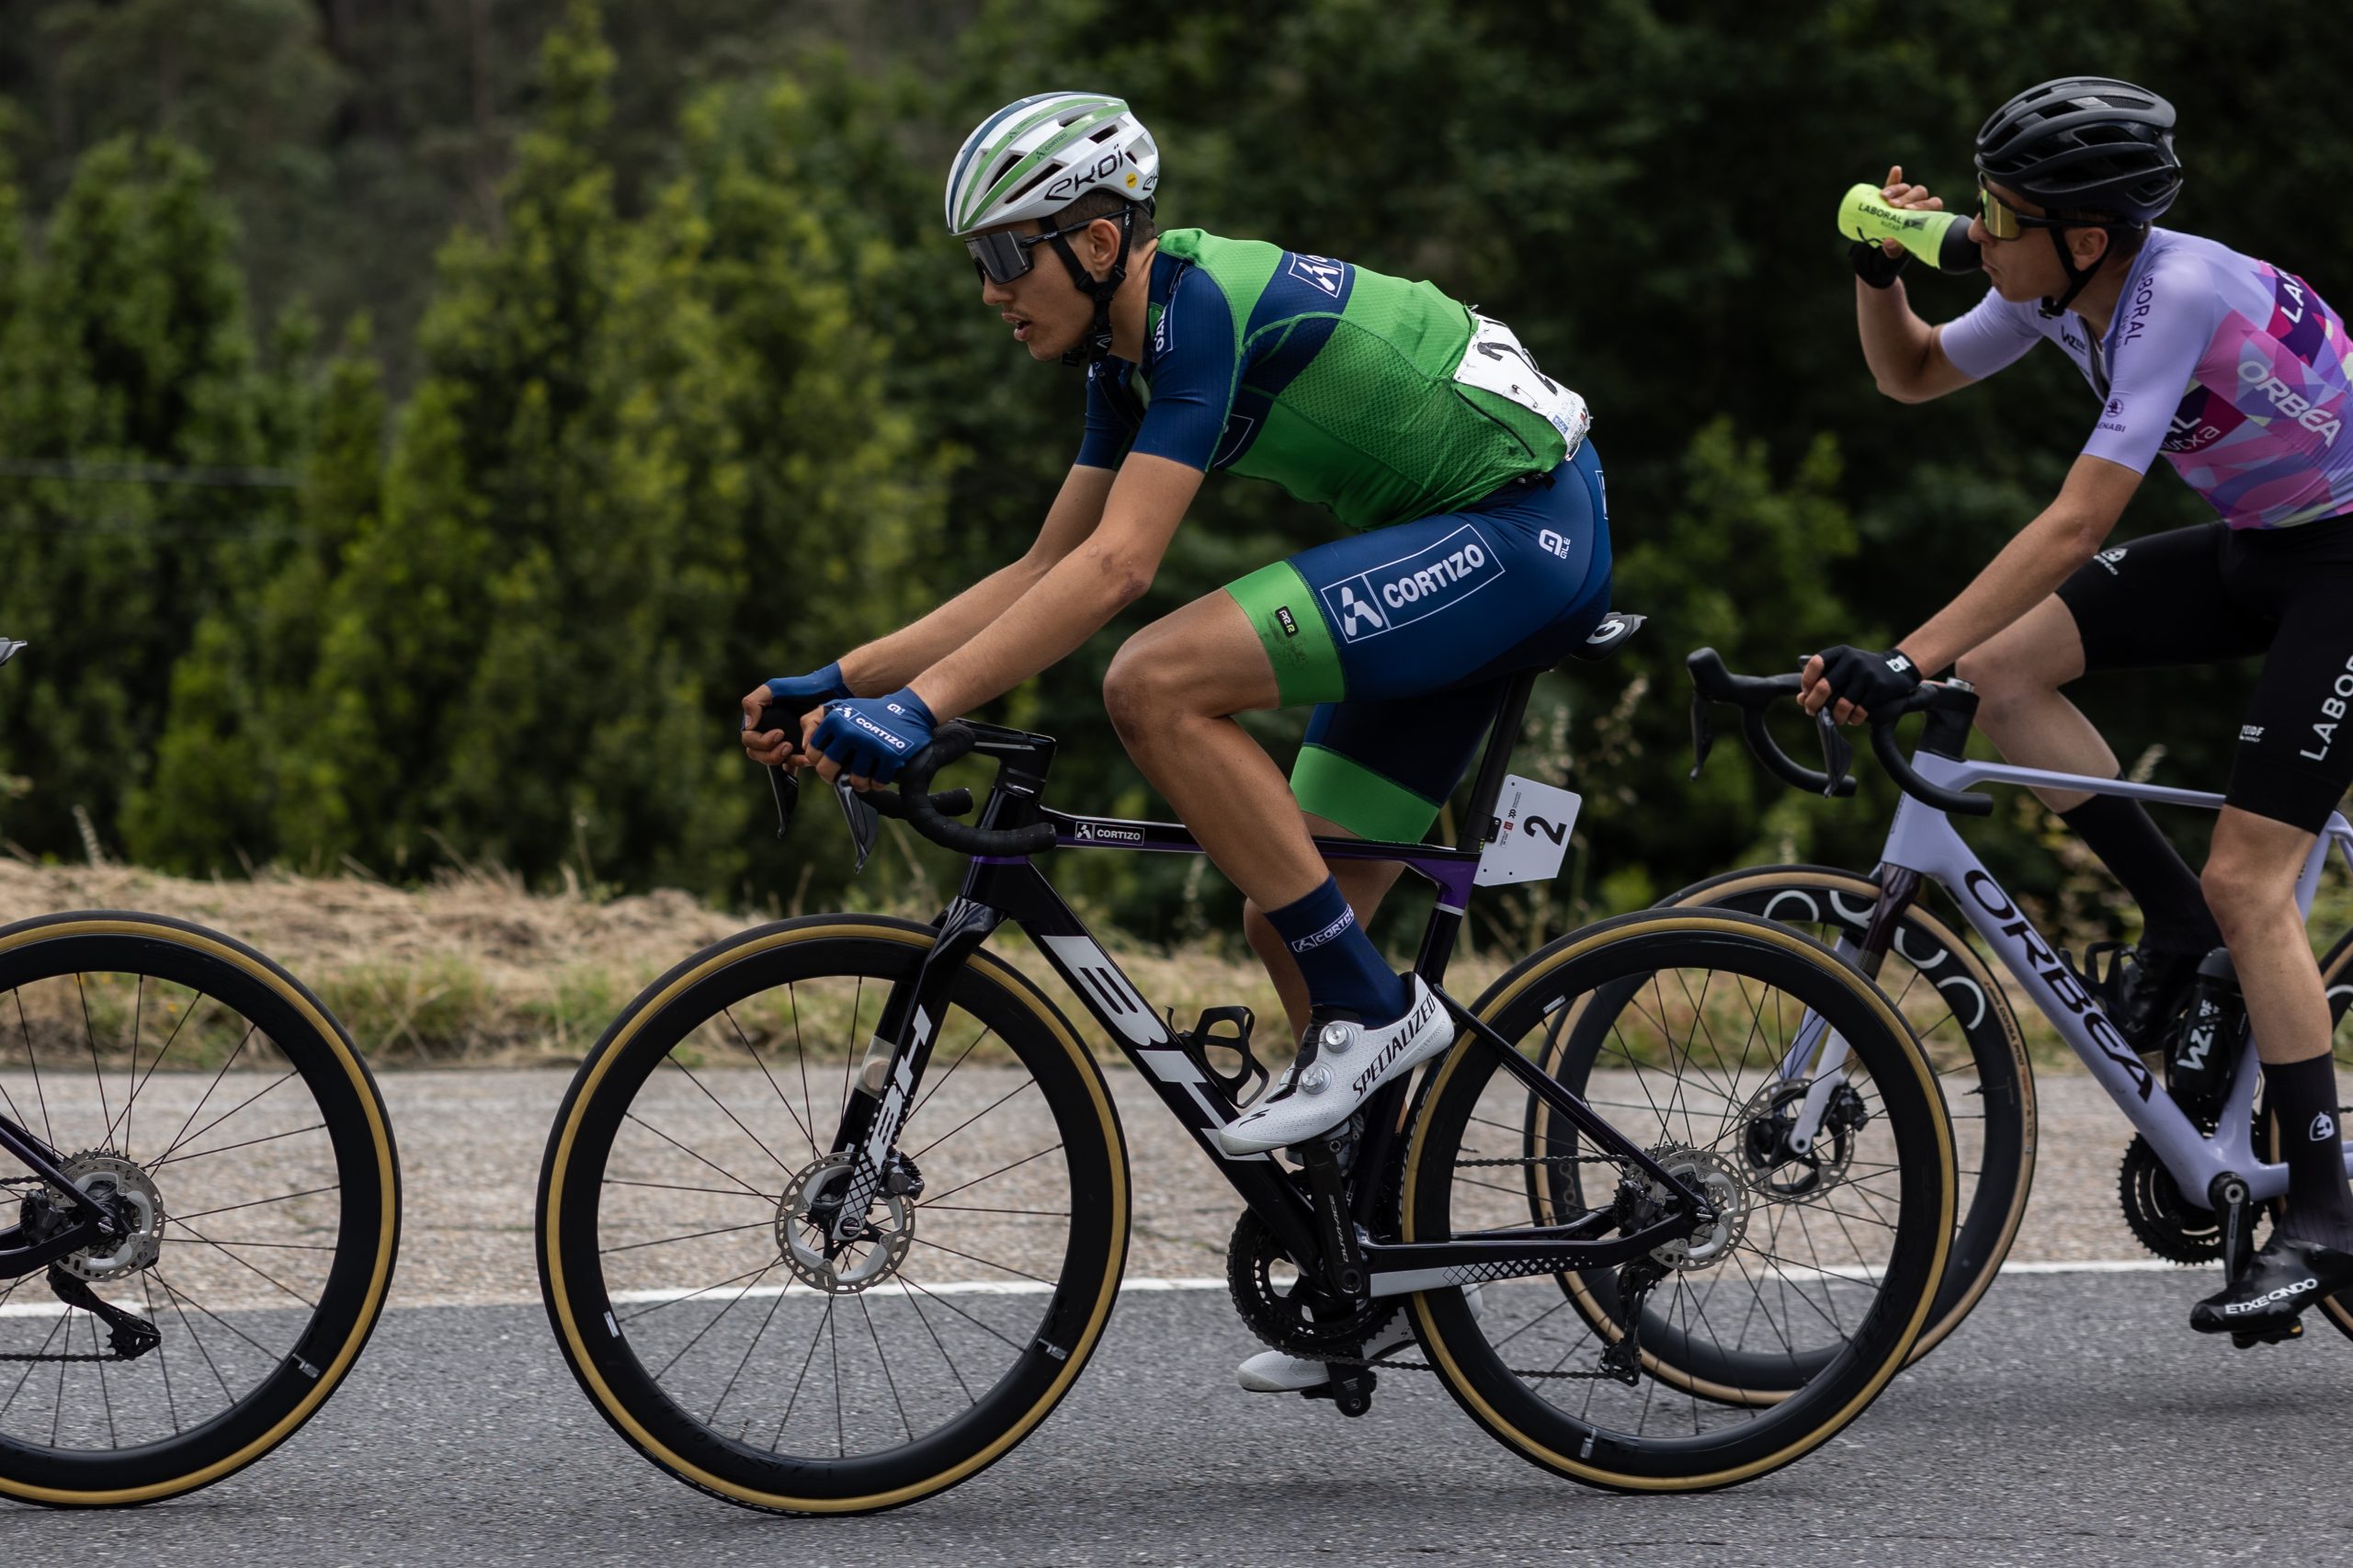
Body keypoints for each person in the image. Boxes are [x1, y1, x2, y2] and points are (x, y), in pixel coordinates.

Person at [742, 91, 1601, 1386]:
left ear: (1095, 242)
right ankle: (1365, 1265)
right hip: (1464, 541)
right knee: (1288, 908)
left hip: (1523, 528)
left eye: (1000, 258)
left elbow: (1118, 577)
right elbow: (1049, 561)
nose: (988, 292)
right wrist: (846, 675)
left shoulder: (1195, 312)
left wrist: (920, 715)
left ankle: (1374, 1015)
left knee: (1153, 682)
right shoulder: (1123, 358)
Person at [1808, 76, 2353, 1334]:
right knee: (2003, 674)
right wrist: (1875, 267)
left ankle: (2324, 1210)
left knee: (2253, 880)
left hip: (2346, 562)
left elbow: (2079, 518)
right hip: (2262, 538)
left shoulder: (2178, 295)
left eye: (2001, 215)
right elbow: (1914, 373)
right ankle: (2170, 925)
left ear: (2087, 237)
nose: (1979, 235)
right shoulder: (2049, 284)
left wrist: (1905, 653)